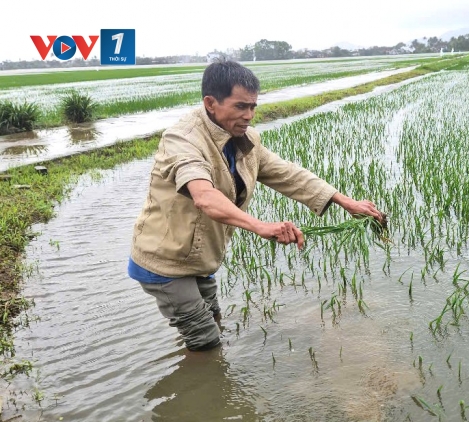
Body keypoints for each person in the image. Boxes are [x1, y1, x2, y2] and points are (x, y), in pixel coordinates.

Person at [128, 60, 384, 351]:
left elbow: (286, 173)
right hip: (165, 262)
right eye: (240, 107)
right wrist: (262, 227)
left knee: (213, 319)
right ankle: (203, 387)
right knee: (204, 339)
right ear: (211, 103)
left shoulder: (244, 139)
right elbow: (204, 196)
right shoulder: (182, 140)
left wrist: (345, 202)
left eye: (253, 107)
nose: (248, 116)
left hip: (201, 256)